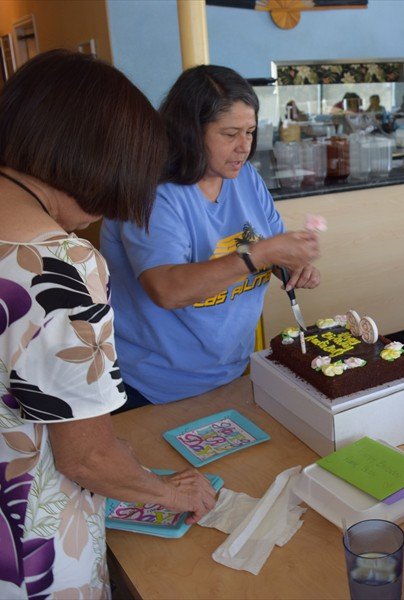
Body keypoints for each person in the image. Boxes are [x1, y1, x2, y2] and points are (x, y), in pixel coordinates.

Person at [0, 50, 216, 598]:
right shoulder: (61, 265)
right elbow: (87, 458)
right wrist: (169, 493)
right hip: (28, 553)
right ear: (96, 159)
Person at [101, 65, 320, 408]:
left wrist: (292, 264)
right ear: (189, 132)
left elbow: (272, 249)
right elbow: (167, 289)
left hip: (230, 369)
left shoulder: (245, 177)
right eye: (230, 134)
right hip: (152, 385)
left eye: (250, 132)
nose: (244, 147)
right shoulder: (151, 191)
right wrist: (261, 254)